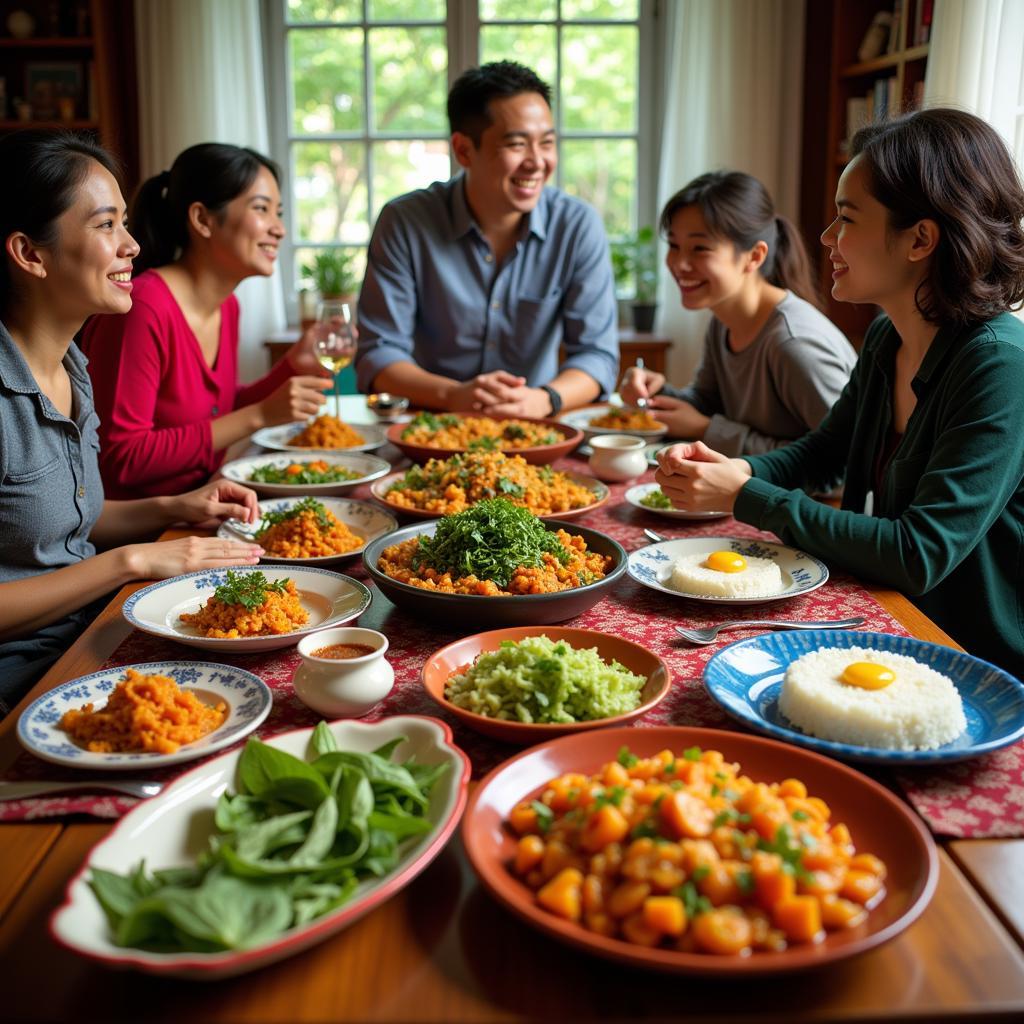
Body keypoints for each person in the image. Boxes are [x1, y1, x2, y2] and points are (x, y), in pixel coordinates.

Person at [655, 108, 1024, 676]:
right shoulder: (887, 335)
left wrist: (743, 497)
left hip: (976, 658)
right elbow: (821, 450)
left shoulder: (999, 365)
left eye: (846, 219)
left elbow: (918, 553)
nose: (826, 237)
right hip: (897, 620)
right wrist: (733, 471)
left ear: (920, 239)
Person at [0, 130, 265, 713]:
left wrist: (173, 508)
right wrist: (131, 560)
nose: (132, 246)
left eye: (125, 222)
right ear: (30, 254)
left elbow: (66, 524)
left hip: (91, 632)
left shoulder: (73, 367)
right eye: (104, 226)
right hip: (23, 679)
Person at [355, 60, 619, 418]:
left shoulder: (577, 225)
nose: (538, 162)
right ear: (464, 150)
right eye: (517, 144)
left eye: (547, 143)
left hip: (533, 425)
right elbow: (378, 354)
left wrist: (543, 399)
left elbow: (597, 355)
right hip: (430, 425)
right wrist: (454, 395)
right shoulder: (405, 222)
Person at [81, 143, 332, 498]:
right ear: (202, 219)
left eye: (279, 212)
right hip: (146, 532)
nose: (280, 229)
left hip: (206, 503)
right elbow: (121, 460)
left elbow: (216, 412)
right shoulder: (142, 307)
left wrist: (291, 366)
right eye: (262, 209)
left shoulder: (227, 306)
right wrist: (260, 414)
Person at [621, 171, 856, 454]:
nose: (680, 264)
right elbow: (706, 403)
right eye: (673, 245)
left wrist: (706, 430)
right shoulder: (723, 321)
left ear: (754, 256)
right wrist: (657, 393)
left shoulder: (794, 344)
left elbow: (845, 465)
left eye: (700, 248)